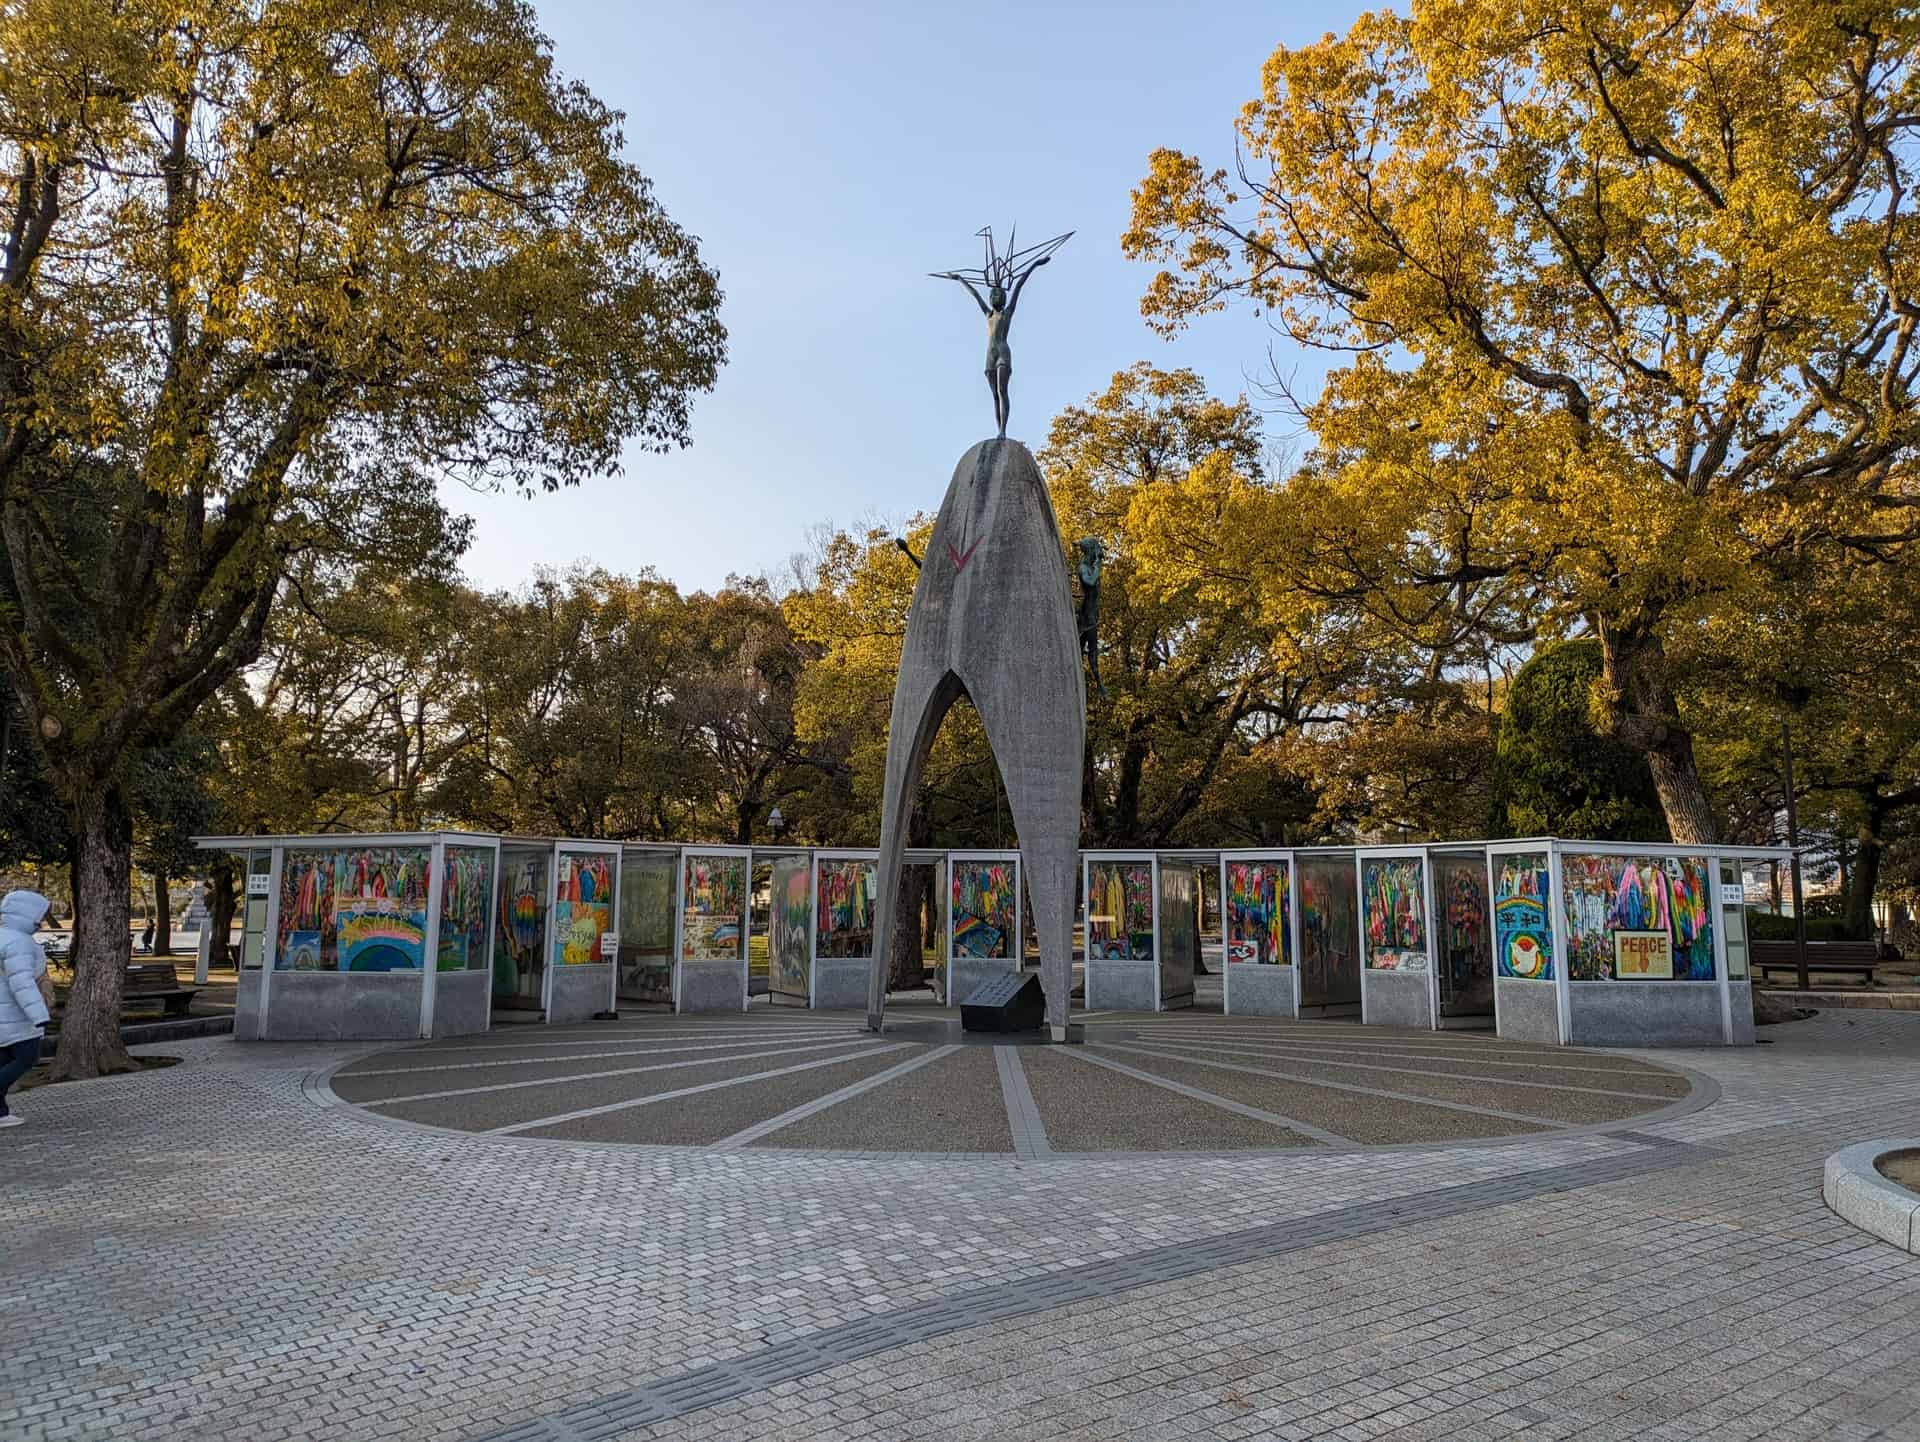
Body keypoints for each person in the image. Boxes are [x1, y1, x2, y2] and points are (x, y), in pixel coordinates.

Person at [0, 889, 53, 1128]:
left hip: (6, 1015)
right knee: (26, 1058)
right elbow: (21, 983)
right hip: (16, 1016)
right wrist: (40, 1015)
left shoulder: (4, 936)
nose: (40, 922)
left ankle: (1, 1113)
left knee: (4, 1062)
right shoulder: (19, 942)